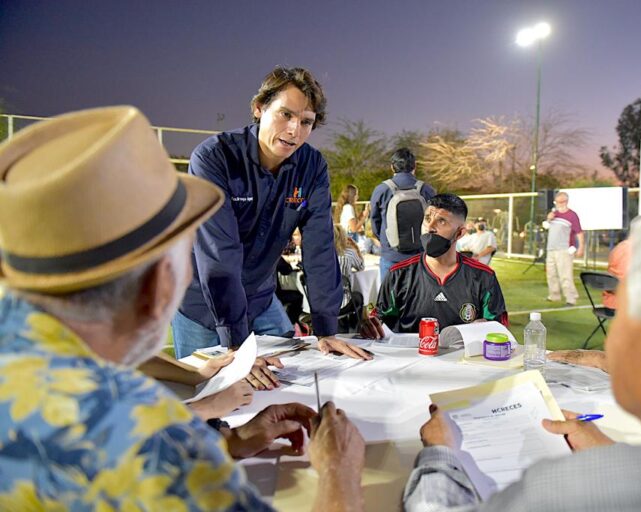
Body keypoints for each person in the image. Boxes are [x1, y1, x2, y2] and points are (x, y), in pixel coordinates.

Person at [0, 106, 366, 510]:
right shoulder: (152, 444)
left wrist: (223, 436)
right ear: (158, 283)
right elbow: (133, 437)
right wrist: (339, 471)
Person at [403, 185, 641, 511]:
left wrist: (441, 453)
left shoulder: (574, 490)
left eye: (618, 298)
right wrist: (611, 451)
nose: (608, 305)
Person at [172, 66, 370, 361]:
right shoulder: (213, 158)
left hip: (261, 299)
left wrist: (326, 329)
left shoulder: (312, 166)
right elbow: (219, 255)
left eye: (306, 122)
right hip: (201, 301)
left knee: (294, 379)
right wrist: (238, 346)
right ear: (259, 108)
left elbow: (320, 247)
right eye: (285, 114)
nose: (294, 130)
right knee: (209, 398)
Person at [361, 194, 507, 337]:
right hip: (412, 358)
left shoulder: (484, 276)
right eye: (427, 218)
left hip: (461, 359)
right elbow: (379, 320)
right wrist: (370, 325)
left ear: (460, 233)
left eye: (441, 221)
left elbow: (499, 328)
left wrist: (487, 326)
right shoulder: (398, 274)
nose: (430, 227)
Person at [369, 148, 436, 280]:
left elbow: (375, 223)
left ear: (392, 167)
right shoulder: (426, 189)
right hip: (419, 256)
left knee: (389, 297)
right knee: (418, 298)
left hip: (391, 255)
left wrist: (385, 239)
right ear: (414, 166)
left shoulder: (382, 190)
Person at [545, 191, 584, 306]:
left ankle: (570, 298)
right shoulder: (553, 214)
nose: (559, 204)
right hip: (551, 248)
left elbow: (579, 232)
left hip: (564, 249)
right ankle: (554, 295)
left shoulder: (572, 215)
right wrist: (548, 219)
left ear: (566, 201)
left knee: (565, 275)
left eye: (561, 201)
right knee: (551, 274)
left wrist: (581, 247)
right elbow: (547, 227)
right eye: (557, 202)